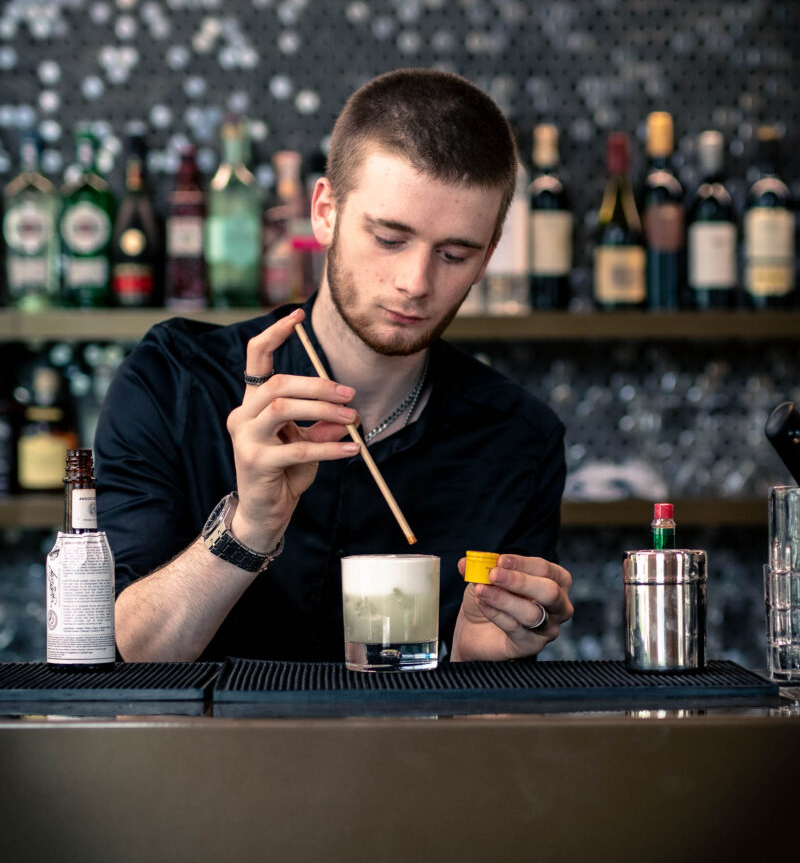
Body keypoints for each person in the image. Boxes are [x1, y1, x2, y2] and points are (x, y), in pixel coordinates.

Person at [95, 68, 573, 664]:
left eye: (454, 254)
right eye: (390, 238)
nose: (415, 284)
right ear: (325, 212)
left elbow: (482, 732)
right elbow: (128, 654)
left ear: (487, 257)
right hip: (207, 758)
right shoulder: (171, 380)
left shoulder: (519, 441)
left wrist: (482, 663)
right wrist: (247, 530)